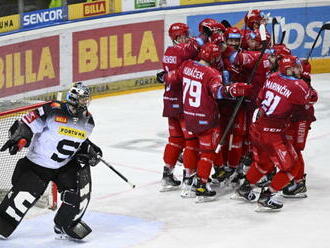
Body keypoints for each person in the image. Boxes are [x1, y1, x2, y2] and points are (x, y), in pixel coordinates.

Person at [0, 82, 102, 240]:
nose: (85, 102)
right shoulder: (53, 109)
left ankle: (64, 224)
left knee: (77, 194)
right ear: (74, 98)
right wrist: (21, 137)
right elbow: (27, 123)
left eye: (86, 99)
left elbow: (78, 141)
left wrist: (90, 149)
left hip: (63, 166)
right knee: (21, 200)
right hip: (37, 165)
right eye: (82, 99)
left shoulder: (88, 122)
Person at [165, 43, 251, 202]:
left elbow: (172, 77)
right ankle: (201, 186)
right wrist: (234, 89)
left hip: (189, 115)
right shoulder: (212, 73)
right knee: (207, 152)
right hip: (206, 118)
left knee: (191, 146)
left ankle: (189, 179)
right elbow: (218, 92)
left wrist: (162, 76)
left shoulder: (186, 65)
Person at [235, 55, 317, 211]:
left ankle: (245, 188)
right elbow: (311, 99)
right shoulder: (298, 86)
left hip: (257, 128)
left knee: (264, 163)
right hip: (273, 134)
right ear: (288, 69)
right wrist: (307, 83)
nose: (298, 69)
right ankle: (268, 195)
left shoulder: (272, 77)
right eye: (295, 67)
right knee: (292, 167)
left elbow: (260, 100)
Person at [158, 22, 200, 193]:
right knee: (191, 141)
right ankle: (189, 178)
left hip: (169, 102)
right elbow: (194, 49)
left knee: (175, 139)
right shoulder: (180, 50)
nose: (188, 37)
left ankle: (167, 175)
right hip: (182, 103)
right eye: (185, 34)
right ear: (178, 36)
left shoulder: (169, 51)